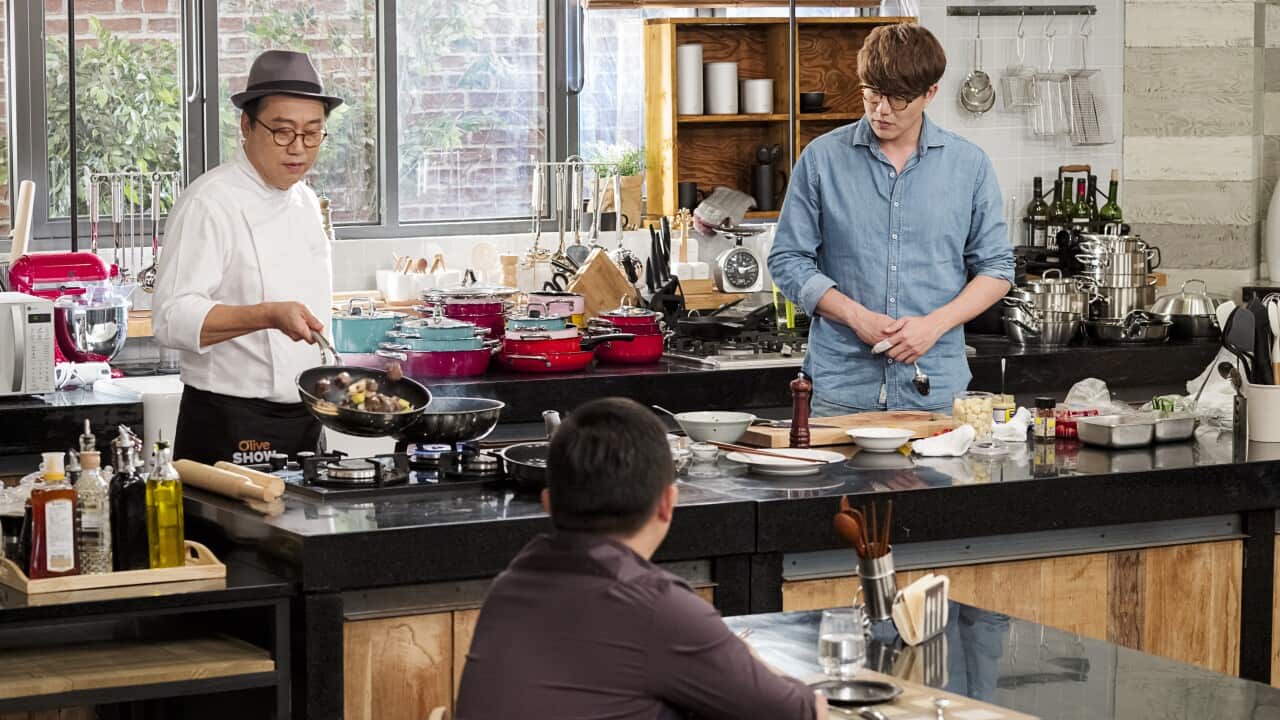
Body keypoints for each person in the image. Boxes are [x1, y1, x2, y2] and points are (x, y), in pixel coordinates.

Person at [455, 398, 827, 720]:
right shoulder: (656, 608)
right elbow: (801, 712)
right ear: (668, 504)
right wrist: (747, 658)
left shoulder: (509, 588)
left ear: (548, 505)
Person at [768, 25, 1015, 415]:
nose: (881, 110)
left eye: (898, 99)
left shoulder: (969, 165)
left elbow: (998, 268)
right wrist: (856, 317)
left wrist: (934, 325)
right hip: (842, 392)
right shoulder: (821, 160)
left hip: (936, 393)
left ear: (929, 93)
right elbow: (786, 259)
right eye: (872, 93)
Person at [153, 50, 342, 464]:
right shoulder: (210, 202)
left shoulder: (306, 202)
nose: (299, 149)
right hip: (230, 423)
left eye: (313, 133)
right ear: (246, 124)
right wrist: (268, 315)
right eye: (282, 131)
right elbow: (171, 318)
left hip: (306, 419)